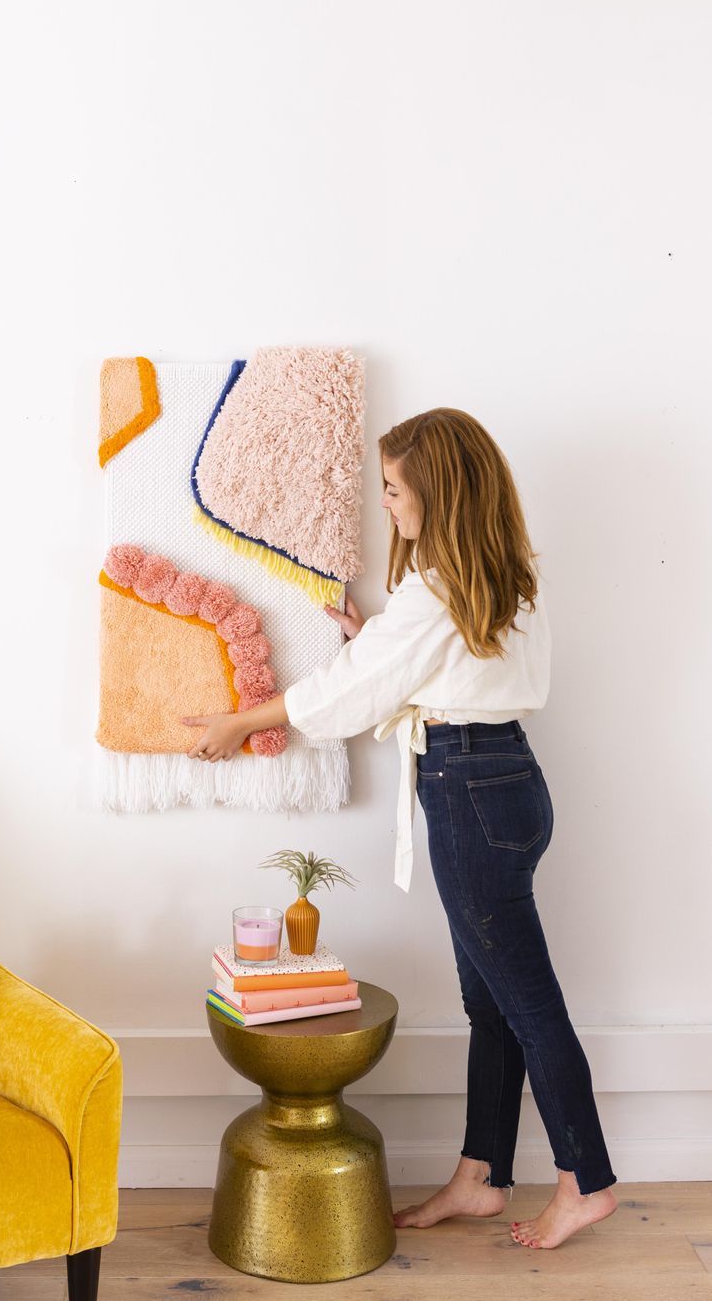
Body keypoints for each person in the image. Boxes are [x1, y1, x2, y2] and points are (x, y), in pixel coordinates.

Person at [181, 406, 618, 1251]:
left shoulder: (436, 588)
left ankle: (585, 1180)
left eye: (392, 490)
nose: (386, 504)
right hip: (510, 783)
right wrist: (372, 637)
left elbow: (351, 695)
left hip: (467, 794)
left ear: (437, 494)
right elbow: (435, 658)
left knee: (527, 1006)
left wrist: (243, 722)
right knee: (492, 1003)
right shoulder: (506, 571)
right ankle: (481, 1175)